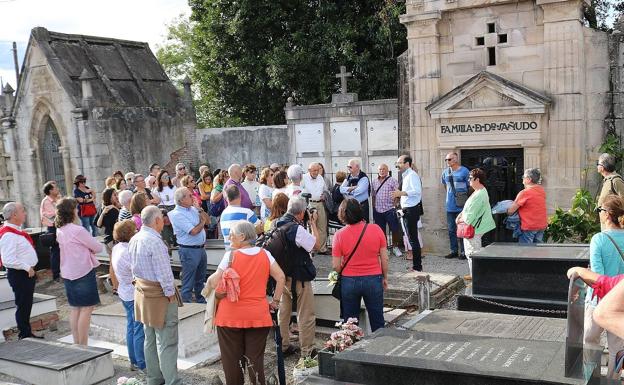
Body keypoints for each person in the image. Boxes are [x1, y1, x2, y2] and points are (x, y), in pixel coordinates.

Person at [207, 221, 286, 385]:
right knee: (255, 359)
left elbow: (214, 281)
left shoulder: (230, 256)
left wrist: (209, 287)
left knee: (232, 361)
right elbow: (281, 277)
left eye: (232, 233)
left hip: (229, 315)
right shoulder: (265, 254)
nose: (229, 236)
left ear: (242, 236)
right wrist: (275, 302)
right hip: (258, 314)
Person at [129, 206, 182, 385]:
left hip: (143, 292)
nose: (164, 221)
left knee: (150, 338)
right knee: (166, 341)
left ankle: (155, 378)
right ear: (157, 221)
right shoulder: (155, 242)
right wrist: (170, 295)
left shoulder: (135, 238)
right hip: (159, 295)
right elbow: (164, 275)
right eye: (162, 218)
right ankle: (172, 381)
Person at [582, 195, 624, 379]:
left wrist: (584, 274)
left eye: (600, 210)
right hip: (621, 302)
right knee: (617, 348)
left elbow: (598, 277)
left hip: (598, 301)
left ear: (607, 214)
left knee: (591, 340)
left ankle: (591, 378)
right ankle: (613, 382)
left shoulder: (598, 239)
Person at [332, 198, 388, 332]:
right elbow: (385, 259)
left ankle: (352, 350)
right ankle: (380, 348)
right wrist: (385, 277)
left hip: (349, 280)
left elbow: (336, 266)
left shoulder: (339, 235)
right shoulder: (376, 229)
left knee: (350, 324)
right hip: (373, 278)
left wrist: (342, 271)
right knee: (378, 321)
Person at [276, 196, 321, 357]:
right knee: (306, 314)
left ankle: (283, 345)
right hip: (299, 278)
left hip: (282, 277)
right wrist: (313, 223)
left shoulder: (277, 223)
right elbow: (316, 245)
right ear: (301, 213)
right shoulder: (296, 230)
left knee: (284, 312)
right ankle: (307, 351)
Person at [56, 197, 103, 345]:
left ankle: (77, 343)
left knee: (75, 309)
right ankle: (83, 345)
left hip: (68, 271)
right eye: (75, 208)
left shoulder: (60, 230)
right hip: (82, 271)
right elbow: (97, 247)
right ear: (71, 211)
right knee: (86, 309)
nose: (77, 211)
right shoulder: (78, 230)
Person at [0, 202, 42, 339]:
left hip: (25, 273)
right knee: (23, 305)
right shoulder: (8, 234)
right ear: (14, 215)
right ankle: (24, 335)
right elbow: (8, 260)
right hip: (20, 274)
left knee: (26, 304)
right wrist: (27, 267)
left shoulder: (14, 231)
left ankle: (26, 332)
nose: (25, 213)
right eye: (22, 211)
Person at [111, 219, 145, 371]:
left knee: (131, 327)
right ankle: (141, 362)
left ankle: (134, 360)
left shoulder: (117, 247)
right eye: (135, 230)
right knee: (138, 329)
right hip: (133, 293)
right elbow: (138, 272)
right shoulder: (129, 251)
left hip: (123, 291)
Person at [169, 187, 210, 303]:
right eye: (189, 195)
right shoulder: (176, 214)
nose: (193, 197)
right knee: (188, 279)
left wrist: (200, 211)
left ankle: (200, 299)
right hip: (189, 250)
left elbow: (208, 222)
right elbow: (193, 231)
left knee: (200, 278)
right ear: (181, 200)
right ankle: (186, 302)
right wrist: (201, 222)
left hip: (200, 248)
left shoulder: (193, 209)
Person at [455, 168, 495, 279]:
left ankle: (477, 277)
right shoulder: (479, 191)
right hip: (475, 227)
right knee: (472, 251)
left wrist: (459, 220)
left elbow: (470, 217)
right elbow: (467, 209)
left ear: (477, 179)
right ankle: (474, 275)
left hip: (474, 227)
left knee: (472, 252)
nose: (468, 180)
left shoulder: (479, 194)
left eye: (470, 178)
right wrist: (460, 214)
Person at [392, 155, 424, 271]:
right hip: (408, 210)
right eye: (397, 163)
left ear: (407, 164)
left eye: (399, 163)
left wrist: (401, 193)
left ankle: (417, 267)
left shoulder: (412, 175)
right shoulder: (407, 176)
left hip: (411, 210)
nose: (397, 165)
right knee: (412, 239)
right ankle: (417, 266)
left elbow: (417, 192)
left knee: (413, 239)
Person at [440, 152, 470, 259]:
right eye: (446, 160)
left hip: (461, 206)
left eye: (449, 159)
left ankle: (463, 252)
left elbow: (469, 186)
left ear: (455, 159)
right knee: (451, 229)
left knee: (462, 229)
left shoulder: (465, 171)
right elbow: (445, 185)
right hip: (450, 206)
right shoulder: (445, 172)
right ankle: (454, 250)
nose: (447, 161)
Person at [507, 168, 547, 244]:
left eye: (523, 177)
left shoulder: (525, 193)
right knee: (539, 252)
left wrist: (505, 209)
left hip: (529, 226)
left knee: (526, 252)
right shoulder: (541, 190)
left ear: (529, 179)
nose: (522, 179)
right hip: (541, 225)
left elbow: (511, 211)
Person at [220, 185, 262, 250]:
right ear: (240, 195)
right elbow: (261, 227)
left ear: (226, 198)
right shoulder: (247, 212)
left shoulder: (223, 214)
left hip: (229, 253)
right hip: (245, 252)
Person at [97, 188, 121, 292]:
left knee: (112, 264)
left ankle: (115, 287)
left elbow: (98, 224)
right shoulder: (112, 210)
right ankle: (116, 286)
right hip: (113, 239)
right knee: (115, 264)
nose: (116, 196)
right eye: (114, 195)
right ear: (109, 197)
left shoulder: (104, 208)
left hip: (107, 239)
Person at [303, 162, 329, 253]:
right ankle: (312, 248)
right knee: (311, 226)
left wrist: (324, 195)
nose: (316, 172)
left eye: (317, 170)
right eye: (314, 170)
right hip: (309, 204)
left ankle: (321, 248)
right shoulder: (304, 178)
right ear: (309, 170)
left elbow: (326, 190)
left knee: (322, 225)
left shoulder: (320, 177)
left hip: (320, 203)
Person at [371, 164, 399, 243]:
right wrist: (374, 207)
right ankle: (384, 247)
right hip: (378, 210)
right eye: (380, 169)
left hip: (390, 209)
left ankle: (395, 247)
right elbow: (373, 195)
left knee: (394, 229)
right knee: (380, 230)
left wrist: (394, 205)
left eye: (384, 169)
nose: (382, 171)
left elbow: (397, 194)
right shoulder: (374, 182)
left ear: (387, 171)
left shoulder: (392, 180)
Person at [40, 181, 61, 281]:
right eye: (55, 188)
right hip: (53, 228)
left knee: (61, 250)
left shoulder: (56, 199)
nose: (57, 189)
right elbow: (53, 214)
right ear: (50, 190)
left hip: (59, 226)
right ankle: (56, 274)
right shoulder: (47, 201)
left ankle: (61, 271)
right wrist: (60, 205)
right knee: (55, 251)